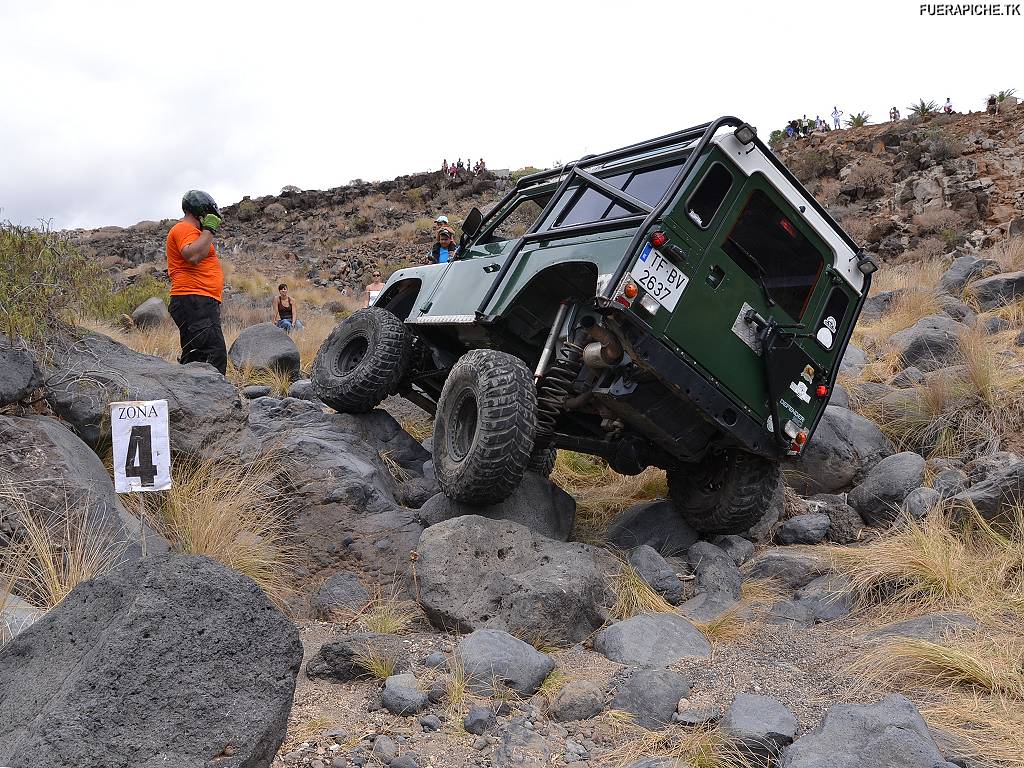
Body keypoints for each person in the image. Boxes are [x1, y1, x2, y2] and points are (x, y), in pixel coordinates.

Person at [166, 190, 227, 374]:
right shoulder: (184, 228)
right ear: (201, 211)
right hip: (195, 299)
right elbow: (192, 255)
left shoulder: (193, 233)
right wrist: (209, 230)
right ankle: (213, 392)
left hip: (196, 300)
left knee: (195, 355)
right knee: (213, 355)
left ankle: (187, 390)